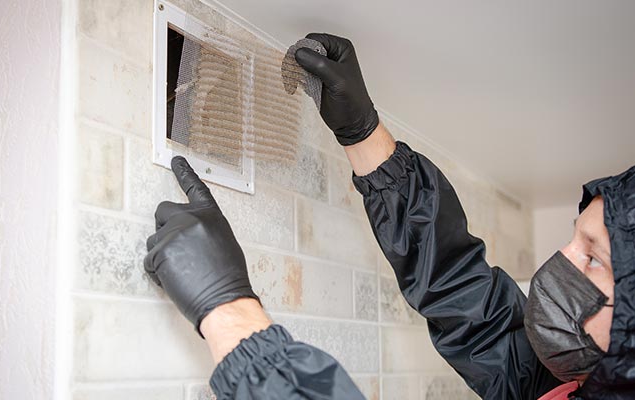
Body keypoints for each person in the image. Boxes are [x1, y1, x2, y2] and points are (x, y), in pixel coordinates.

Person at [143, 33, 635, 400]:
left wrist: (229, 312)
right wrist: (365, 137)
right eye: (575, 238)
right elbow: (468, 301)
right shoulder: (573, 382)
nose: (563, 259)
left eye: (594, 259)